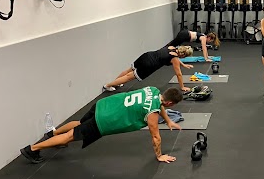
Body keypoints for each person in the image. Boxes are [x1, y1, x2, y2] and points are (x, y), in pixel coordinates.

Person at [20, 86, 184, 164]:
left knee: (79, 123)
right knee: (70, 137)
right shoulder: (152, 113)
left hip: (103, 105)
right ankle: (32, 149)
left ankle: (52, 133)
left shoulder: (153, 90)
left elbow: (159, 105)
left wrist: (168, 120)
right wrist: (159, 155)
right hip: (104, 120)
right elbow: (156, 137)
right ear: (170, 103)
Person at [103, 45, 194, 93]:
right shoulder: (175, 59)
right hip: (149, 64)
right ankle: (108, 85)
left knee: (128, 71)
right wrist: (182, 87)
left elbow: (176, 59)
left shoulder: (172, 47)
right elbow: (179, 74)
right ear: (183, 55)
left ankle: (115, 83)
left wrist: (183, 65)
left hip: (146, 56)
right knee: (128, 77)